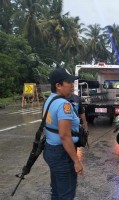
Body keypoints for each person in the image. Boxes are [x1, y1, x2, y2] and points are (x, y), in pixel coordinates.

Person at [43, 68, 83, 199]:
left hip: (50, 149)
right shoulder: (63, 105)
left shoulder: (50, 100)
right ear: (58, 85)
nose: (72, 85)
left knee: (56, 191)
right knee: (66, 194)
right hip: (62, 154)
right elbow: (65, 135)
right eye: (68, 82)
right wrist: (76, 161)